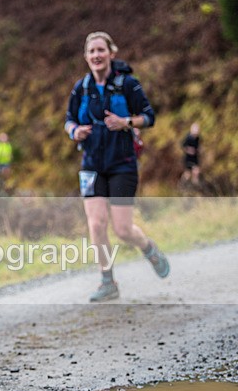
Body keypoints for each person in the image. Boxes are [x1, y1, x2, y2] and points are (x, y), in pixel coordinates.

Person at [64, 31, 169, 303]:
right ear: (86, 57)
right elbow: (68, 121)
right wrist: (74, 131)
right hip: (91, 165)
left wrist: (126, 123)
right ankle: (107, 281)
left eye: (101, 50)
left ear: (111, 53)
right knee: (96, 225)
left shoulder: (128, 84)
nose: (96, 55)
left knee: (122, 229)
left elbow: (149, 116)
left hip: (122, 164)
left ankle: (148, 249)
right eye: (91, 51)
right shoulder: (81, 88)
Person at [181, 122, 201, 186]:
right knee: (188, 173)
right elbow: (183, 146)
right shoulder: (188, 138)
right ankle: (182, 184)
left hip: (195, 157)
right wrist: (190, 150)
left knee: (196, 171)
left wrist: (198, 150)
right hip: (188, 158)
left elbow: (197, 147)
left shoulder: (197, 138)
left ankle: (195, 186)